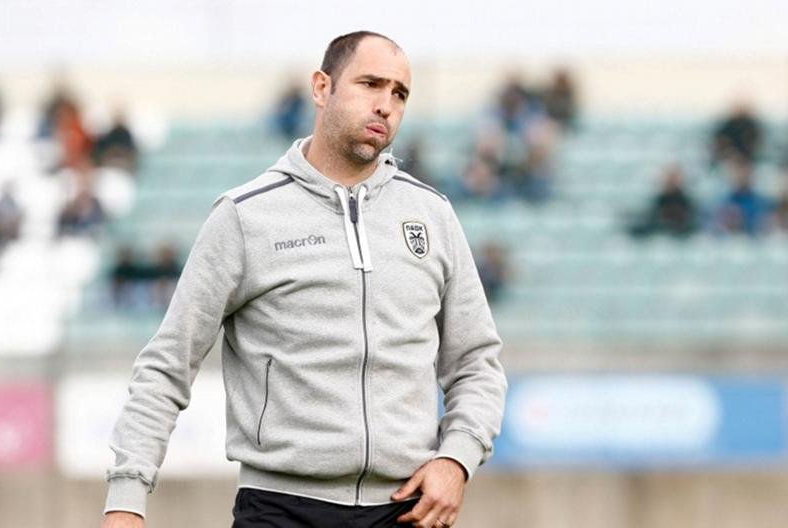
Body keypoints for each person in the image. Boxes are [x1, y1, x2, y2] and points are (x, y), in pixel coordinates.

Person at [102, 31, 507, 528]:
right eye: (370, 84)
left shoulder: (432, 214)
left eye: (399, 93)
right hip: (281, 510)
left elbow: (477, 364)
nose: (385, 105)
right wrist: (125, 500)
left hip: (407, 510)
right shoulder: (245, 217)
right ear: (321, 87)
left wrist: (456, 459)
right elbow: (167, 366)